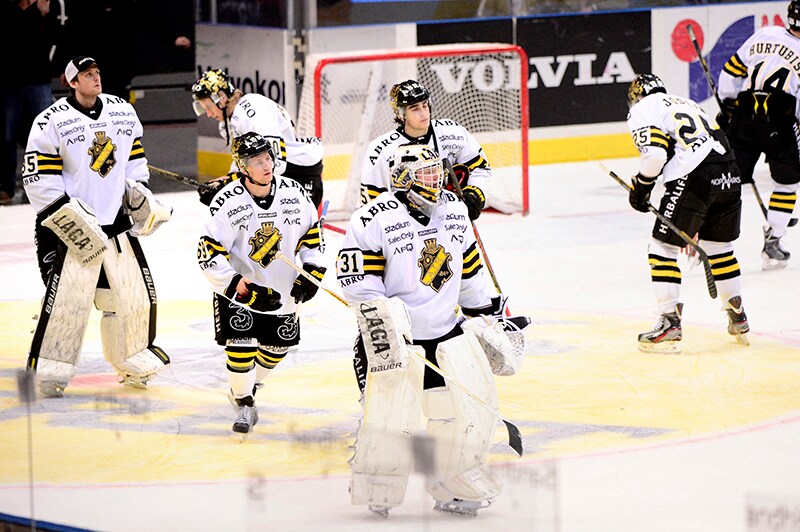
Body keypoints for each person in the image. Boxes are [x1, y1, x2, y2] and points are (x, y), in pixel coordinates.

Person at [336, 144, 530, 517]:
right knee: (390, 416)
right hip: (397, 338)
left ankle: (452, 481)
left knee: (461, 412)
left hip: (445, 333)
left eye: (436, 170)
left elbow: (469, 272)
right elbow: (357, 281)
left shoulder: (454, 211)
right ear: (403, 176)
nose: (437, 178)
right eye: (426, 172)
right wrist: (387, 322)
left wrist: (488, 315)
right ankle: (378, 485)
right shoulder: (372, 218)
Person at [21, 56, 173, 397]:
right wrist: (68, 216)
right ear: (72, 82)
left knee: (132, 298)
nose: (95, 78)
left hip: (114, 225)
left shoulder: (121, 111)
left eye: (97, 73)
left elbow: (134, 160)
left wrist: (139, 193)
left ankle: (132, 358)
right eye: (87, 75)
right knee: (69, 305)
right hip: (70, 228)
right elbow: (37, 177)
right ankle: (50, 371)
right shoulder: (51, 121)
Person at [196, 131, 326, 437]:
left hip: (283, 289)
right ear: (242, 166)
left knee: (276, 347)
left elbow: (312, 236)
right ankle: (243, 401)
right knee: (240, 345)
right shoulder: (227, 202)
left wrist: (313, 272)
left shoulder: (295, 193)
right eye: (257, 161)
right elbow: (208, 251)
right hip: (241, 290)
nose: (266, 164)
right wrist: (236, 285)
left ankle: (248, 386)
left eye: (267, 157)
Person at [625, 73, 749, 352]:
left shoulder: (642, 109)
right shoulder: (687, 103)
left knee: (662, 248)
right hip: (729, 170)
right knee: (719, 248)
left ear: (636, 97)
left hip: (696, 176)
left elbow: (655, 155)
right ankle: (737, 314)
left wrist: (641, 188)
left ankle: (670, 320)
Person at [717, 0, 800, 270]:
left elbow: (730, 72)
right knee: (787, 184)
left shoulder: (765, 33)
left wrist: (728, 106)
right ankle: (773, 238)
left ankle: (707, 234)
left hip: (744, 119)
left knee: (726, 179)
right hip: (781, 125)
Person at [191, 68, 324, 209]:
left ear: (222, 99)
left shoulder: (252, 109)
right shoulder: (229, 123)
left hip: (300, 175)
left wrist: (229, 183)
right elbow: (243, 163)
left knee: (290, 229)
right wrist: (223, 184)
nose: (209, 114)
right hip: (282, 175)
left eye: (209, 107)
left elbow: (273, 161)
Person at [358, 79, 491, 220]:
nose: (423, 113)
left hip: (451, 222)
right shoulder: (381, 150)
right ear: (401, 114)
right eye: (414, 108)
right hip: (406, 228)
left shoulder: (452, 132)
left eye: (425, 105)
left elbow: (480, 167)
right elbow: (372, 201)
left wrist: (475, 192)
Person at [1, 0, 57, 205]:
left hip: (39, 79)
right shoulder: (7, 10)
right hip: (10, 82)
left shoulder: (42, 9)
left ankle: (48, 185)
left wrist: (45, 15)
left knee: (46, 134)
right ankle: (6, 186)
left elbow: (53, 38)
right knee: (7, 135)